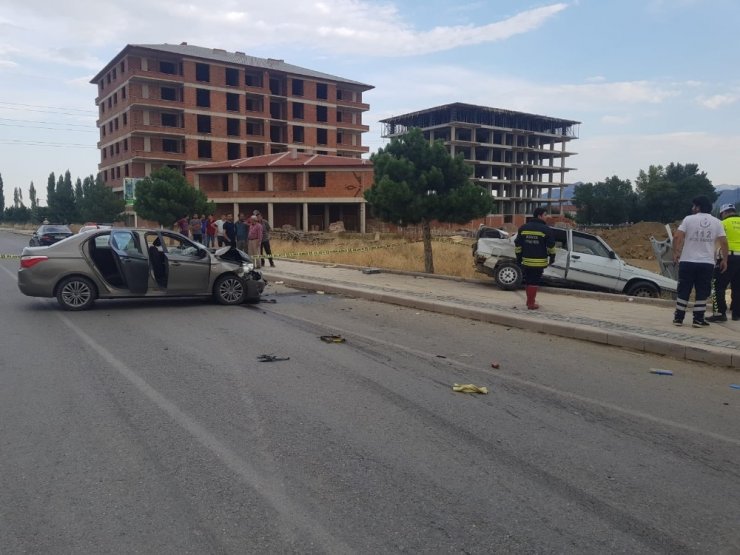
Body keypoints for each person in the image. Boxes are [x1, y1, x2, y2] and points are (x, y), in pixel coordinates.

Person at [672, 195, 728, 327]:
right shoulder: (717, 222)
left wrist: (676, 253)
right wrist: (725, 259)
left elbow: (677, 237)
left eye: (694, 206)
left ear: (698, 207)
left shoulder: (688, 219)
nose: (692, 208)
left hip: (687, 261)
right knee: (702, 291)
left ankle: (678, 318)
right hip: (707, 263)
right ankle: (698, 319)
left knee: (684, 289)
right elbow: (724, 243)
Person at [514, 207, 556, 310]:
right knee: (534, 282)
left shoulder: (523, 228)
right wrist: (552, 257)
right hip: (539, 262)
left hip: (526, 261)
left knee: (528, 281)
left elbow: (518, 245)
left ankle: (530, 301)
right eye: (545, 215)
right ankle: (531, 303)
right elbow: (551, 246)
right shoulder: (546, 230)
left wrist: (519, 258)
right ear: (539, 216)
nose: (547, 217)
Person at [707, 203, 740, 322]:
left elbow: (718, 241)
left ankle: (720, 313)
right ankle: (737, 314)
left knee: (717, 286)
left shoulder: (723, 223)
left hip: (727, 258)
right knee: (738, 287)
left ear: (724, 213)